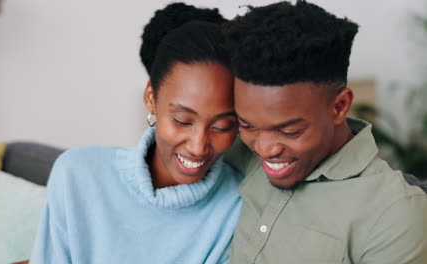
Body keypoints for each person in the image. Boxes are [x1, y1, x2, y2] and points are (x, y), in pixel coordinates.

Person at [30, 3, 242, 263]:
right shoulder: (77, 174)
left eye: (222, 126)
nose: (199, 146)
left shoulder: (238, 205)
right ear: (151, 98)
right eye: (182, 120)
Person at [222, 1, 427, 263]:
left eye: (289, 130)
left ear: (339, 107)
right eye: (247, 125)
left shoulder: (394, 213)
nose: (264, 149)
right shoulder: (238, 150)